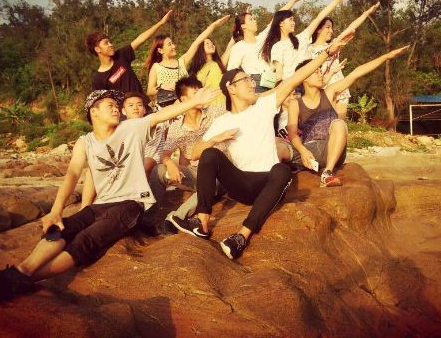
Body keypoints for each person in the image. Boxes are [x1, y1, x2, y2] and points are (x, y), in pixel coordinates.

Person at [0, 86, 220, 297]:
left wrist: (194, 101)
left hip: (130, 204)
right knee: (61, 228)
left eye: (117, 105)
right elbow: (72, 174)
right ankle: (20, 272)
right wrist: (56, 211)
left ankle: (17, 280)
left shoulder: (131, 128)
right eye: (110, 105)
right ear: (94, 111)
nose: (116, 108)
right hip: (101, 204)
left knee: (86, 241)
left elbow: (161, 115)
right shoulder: (85, 142)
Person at [170, 29, 355, 260]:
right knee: (210, 154)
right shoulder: (222, 121)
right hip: (240, 183)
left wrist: (327, 53)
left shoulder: (265, 105)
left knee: (282, 170)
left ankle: (241, 236)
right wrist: (216, 139)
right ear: (231, 88)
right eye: (245, 80)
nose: (251, 83)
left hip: (265, 181)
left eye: (250, 79)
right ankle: (202, 222)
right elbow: (196, 154)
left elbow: (295, 78)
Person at [288, 45, 409, 187]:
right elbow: (292, 134)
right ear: (304, 78)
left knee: (339, 123)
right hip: (310, 151)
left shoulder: (329, 92)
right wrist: (303, 151)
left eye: (321, 71)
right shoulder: (295, 103)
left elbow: (356, 73)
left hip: (331, 149)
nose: (321, 74)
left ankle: (327, 173)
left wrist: (386, 57)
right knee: (281, 147)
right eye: (316, 72)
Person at [149, 76, 227, 227]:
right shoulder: (176, 127)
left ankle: (176, 217)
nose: (202, 96)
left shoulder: (216, 111)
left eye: (201, 91)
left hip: (220, 172)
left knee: (213, 182)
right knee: (158, 170)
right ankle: (148, 218)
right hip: (194, 173)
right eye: (196, 93)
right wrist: (170, 163)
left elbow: (239, 104)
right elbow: (165, 154)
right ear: (184, 99)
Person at [79, 92, 167, 211]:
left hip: (147, 167)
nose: (135, 108)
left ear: (145, 109)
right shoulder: (116, 130)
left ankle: (144, 207)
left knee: (146, 163)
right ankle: (85, 208)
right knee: (92, 169)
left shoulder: (155, 125)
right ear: (123, 111)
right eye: (131, 105)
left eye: (139, 105)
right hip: (122, 168)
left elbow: (166, 114)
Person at [260, 0, 352, 80]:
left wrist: (337, 0)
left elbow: (319, 18)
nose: (293, 23)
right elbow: (279, 74)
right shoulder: (277, 47)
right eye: (290, 20)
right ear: (281, 23)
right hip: (292, 86)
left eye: (294, 20)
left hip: (308, 84)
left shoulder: (301, 38)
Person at [307, 2, 380, 118]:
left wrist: (366, 13)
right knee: (326, 123)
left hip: (341, 87)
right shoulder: (308, 49)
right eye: (327, 27)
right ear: (318, 29)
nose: (331, 31)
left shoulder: (334, 44)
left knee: (340, 123)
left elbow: (350, 28)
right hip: (323, 89)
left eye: (332, 28)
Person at [227, 0, 308, 93]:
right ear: (243, 26)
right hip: (256, 82)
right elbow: (232, 71)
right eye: (251, 19)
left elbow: (277, 18)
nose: (255, 21)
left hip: (273, 79)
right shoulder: (238, 47)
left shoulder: (261, 38)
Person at [145, 15, 231, 106]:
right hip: (167, 108)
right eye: (169, 44)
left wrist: (213, 26)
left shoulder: (182, 62)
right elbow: (149, 91)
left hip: (186, 106)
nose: (174, 46)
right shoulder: (156, 67)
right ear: (160, 50)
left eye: (173, 43)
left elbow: (197, 42)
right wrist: (162, 86)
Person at [88, 10, 172, 94]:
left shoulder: (121, 55)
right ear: (97, 49)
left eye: (110, 42)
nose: (111, 45)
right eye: (106, 43)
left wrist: (161, 23)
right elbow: (102, 100)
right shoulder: (98, 79)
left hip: (142, 101)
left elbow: (140, 39)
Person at [187, 38, 227, 106]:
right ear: (200, 48)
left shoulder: (218, 64)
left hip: (224, 103)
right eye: (207, 43)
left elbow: (229, 49)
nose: (211, 44)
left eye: (212, 43)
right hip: (209, 105)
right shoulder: (196, 69)